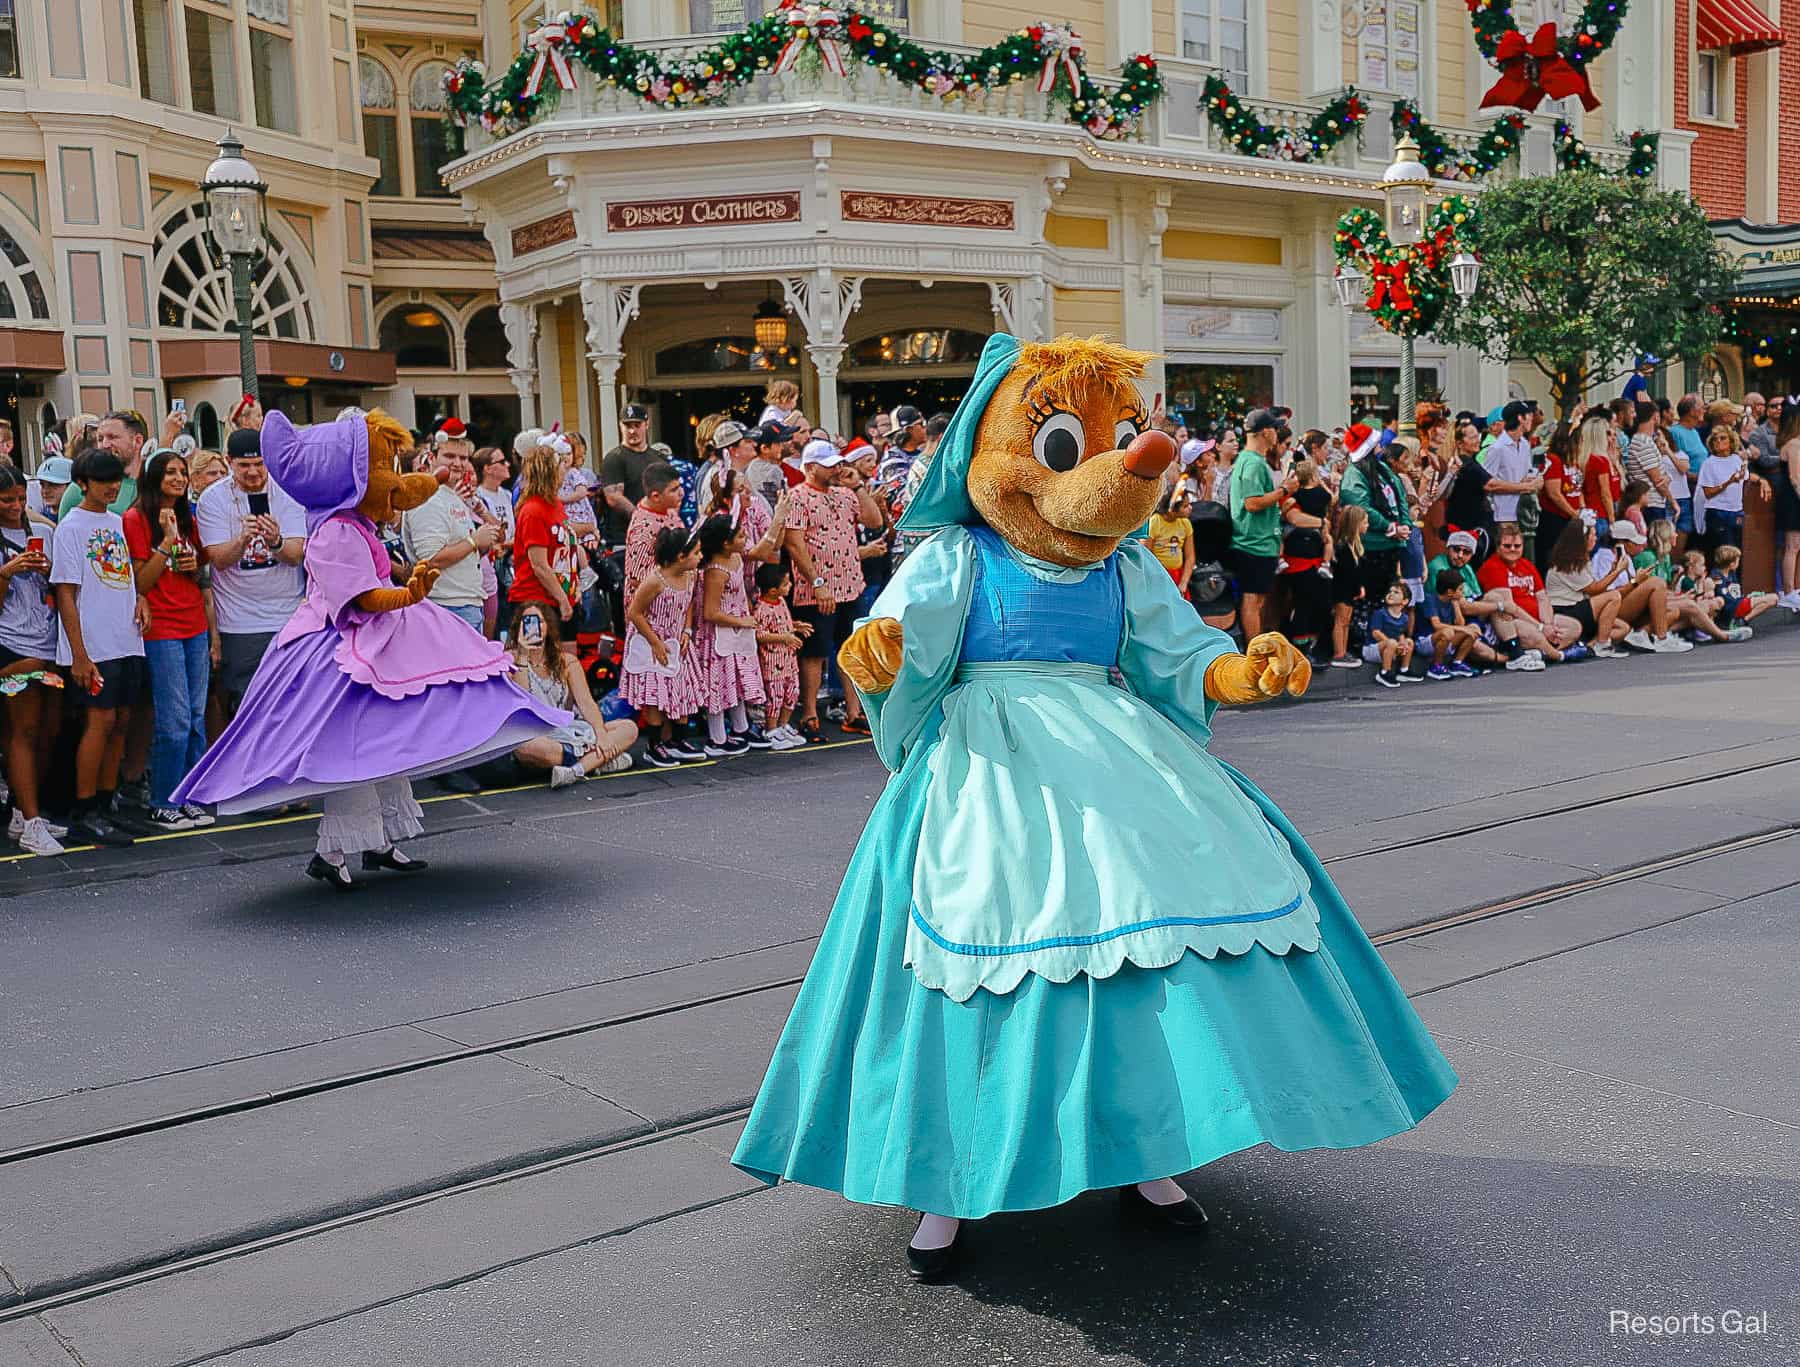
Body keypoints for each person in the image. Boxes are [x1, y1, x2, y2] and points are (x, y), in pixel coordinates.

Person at [734, 332, 1453, 1282]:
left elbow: (1177, 653)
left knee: (1148, 946)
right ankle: (945, 1178)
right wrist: (884, 658)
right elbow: (901, 640)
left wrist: (1233, 671)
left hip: (1122, 757)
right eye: (1069, 447)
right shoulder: (960, 556)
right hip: (987, 768)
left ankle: (1146, 1150)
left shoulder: (1124, 568)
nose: (1111, 480)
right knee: (972, 960)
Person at [174, 411, 565, 889]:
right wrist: (408, 595)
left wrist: (430, 485)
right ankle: (333, 850)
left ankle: (378, 842)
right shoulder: (334, 533)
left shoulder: (354, 522)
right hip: (343, 650)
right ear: (349, 478)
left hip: (380, 640)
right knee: (354, 748)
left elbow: (399, 508)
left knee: (386, 743)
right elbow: (360, 598)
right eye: (380, 470)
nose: (392, 482)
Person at [51, 447, 148, 848]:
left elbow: (123, 575)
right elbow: (65, 594)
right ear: (82, 484)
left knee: (122, 719)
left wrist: (139, 597)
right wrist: (79, 654)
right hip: (93, 642)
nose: (112, 487)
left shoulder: (116, 522)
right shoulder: (71, 527)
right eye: (104, 480)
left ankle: (107, 805)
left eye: (117, 479)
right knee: (100, 722)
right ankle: (85, 809)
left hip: (125, 636)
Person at [122, 450, 216, 830]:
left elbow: (192, 571)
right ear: (153, 477)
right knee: (174, 719)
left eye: (182, 472)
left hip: (194, 620)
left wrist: (194, 564)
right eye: (169, 472)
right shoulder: (134, 518)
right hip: (161, 627)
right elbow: (140, 582)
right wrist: (166, 540)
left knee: (196, 717)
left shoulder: (188, 516)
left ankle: (189, 795)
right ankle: (163, 799)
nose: (178, 478)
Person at [197, 426, 307, 716]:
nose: (253, 472)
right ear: (228, 461)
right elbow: (217, 559)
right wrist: (243, 539)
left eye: (259, 464)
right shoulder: (213, 498)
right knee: (247, 706)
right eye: (244, 465)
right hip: (240, 621)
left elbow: (296, 555)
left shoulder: (288, 490)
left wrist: (276, 541)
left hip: (288, 615)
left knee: (292, 703)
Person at [785, 438, 883, 743]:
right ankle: (810, 713)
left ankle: (854, 712)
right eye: (829, 466)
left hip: (850, 585)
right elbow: (794, 543)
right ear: (810, 468)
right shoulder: (797, 497)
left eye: (837, 464)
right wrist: (817, 583)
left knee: (848, 648)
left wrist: (858, 487)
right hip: (818, 590)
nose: (837, 469)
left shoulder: (843, 494)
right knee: (814, 653)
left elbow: (874, 520)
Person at [0, 464, 67, 854]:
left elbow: (62, 588)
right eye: (7, 500)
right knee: (22, 730)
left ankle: (22, 813)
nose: (15, 506)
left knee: (46, 730)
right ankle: (31, 822)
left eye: (21, 499)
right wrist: (7, 572)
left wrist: (48, 569)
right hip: (10, 643)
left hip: (46, 638)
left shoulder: (41, 531)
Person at [506, 602, 637, 787]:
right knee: (525, 748)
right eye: (526, 621)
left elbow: (586, 703)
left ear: (548, 626)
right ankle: (598, 762)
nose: (534, 626)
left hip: (570, 730)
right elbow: (524, 701)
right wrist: (522, 655)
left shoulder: (566, 661)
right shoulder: (510, 660)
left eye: (539, 621)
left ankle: (575, 771)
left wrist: (601, 734)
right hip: (537, 734)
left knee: (629, 728)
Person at [622, 525, 705, 768]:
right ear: (680, 556)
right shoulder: (654, 581)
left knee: (682, 691)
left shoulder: (691, 575)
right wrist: (655, 643)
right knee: (655, 696)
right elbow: (635, 613)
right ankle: (654, 745)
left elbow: (689, 603)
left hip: (676, 641)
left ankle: (678, 741)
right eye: (697, 553)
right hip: (652, 641)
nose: (700, 557)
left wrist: (687, 630)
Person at [687, 512, 768, 757]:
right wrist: (741, 620)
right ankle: (717, 737)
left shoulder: (735, 558)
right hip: (717, 635)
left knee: (737, 680)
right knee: (717, 685)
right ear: (725, 542)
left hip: (736, 631)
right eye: (741, 536)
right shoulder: (715, 571)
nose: (746, 539)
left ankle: (741, 727)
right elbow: (710, 612)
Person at [401, 439, 499, 633]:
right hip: (447, 607)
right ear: (432, 457)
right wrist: (474, 541)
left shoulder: (450, 495)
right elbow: (431, 559)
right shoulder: (428, 499)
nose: (457, 463)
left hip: (466, 603)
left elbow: (465, 550)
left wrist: (481, 546)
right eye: (449, 456)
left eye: (463, 458)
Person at [1228, 408, 1292, 639]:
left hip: (1260, 542)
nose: (1277, 433)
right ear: (1265, 432)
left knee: (1259, 599)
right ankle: (1254, 651)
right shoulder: (1253, 463)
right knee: (1253, 599)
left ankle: (1256, 646)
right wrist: (1284, 490)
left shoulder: (1251, 460)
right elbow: (1252, 503)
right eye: (1275, 429)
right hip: (1253, 543)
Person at [508, 441, 580, 637]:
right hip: (535, 600)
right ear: (550, 471)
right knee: (538, 660)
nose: (566, 469)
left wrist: (574, 588)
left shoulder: (555, 504)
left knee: (568, 658)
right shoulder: (533, 511)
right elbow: (539, 565)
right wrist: (563, 599)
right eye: (561, 465)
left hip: (560, 596)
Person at [1476, 523, 1576, 664]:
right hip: (1513, 622)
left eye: (1517, 546)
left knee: (1574, 626)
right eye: (1507, 546)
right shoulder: (1493, 567)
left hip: (1538, 620)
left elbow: (1542, 598)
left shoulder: (1527, 564)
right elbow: (1511, 609)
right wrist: (1540, 627)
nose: (1512, 549)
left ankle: (1540, 652)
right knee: (1535, 635)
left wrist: (1548, 624)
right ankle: (1557, 655)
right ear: (1498, 547)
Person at [1590, 519, 1689, 653]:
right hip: (1610, 607)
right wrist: (1636, 581)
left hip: (1623, 602)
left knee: (1673, 611)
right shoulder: (1604, 557)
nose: (1639, 546)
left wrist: (1638, 581)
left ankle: (1641, 633)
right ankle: (1662, 639)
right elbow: (1608, 595)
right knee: (1656, 582)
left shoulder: (1626, 557)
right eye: (1633, 542)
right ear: (1622, 543)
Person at [1337, 439, 1413, 609]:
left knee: (1389, 600)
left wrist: (1405, 524)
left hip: (1391, 547)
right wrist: (1389, 527)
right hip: (1370, 548)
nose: (1380, 445)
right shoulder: (1354, 473)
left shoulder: (1382, 468)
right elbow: (1361, 507)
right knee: (1370, 602)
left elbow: (1401, 497)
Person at [1543, 517, 1626, 654]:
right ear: (1582, 539)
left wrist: (1612, 570)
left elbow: (1595, 588)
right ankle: (1602, 644)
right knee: (1614, 596)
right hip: (1566, 609)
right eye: (1592, 535)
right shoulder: (1568, 562)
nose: (1595, 539)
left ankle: (1589, 646)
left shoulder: (1582, 558)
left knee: (1623, 628)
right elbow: (1595, 589)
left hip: (1579, 605)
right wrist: (1618, 571)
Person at [752, 560, 808, 750]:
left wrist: (795, 626)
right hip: (772, 662)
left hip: (788, 660)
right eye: (785, 583)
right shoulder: (762, 609)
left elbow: (783, 622)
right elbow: (759, 634)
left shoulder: (781, 602)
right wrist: (783, 637)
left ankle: (783, 725)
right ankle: (771, 729)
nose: (790, 585)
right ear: (772, 590)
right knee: (775, 697)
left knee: (792, 692)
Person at [1278, 458, 1331, 657]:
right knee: (1302, 603)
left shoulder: (1295, 495)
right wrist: (1322, 522)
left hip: (1313, 554)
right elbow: (1293, 518)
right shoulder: (1291, 495)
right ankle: (1300, 646)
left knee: (1315, 603)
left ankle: (1311, 644)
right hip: (1299, 558)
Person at [58, 411, 153, 518]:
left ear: (138, 441)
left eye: (112, 437)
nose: (105, 445)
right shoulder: (82, 488)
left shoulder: (155, 483)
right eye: (100, 439)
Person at [623, 462, 686, 603]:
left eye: (679, 486)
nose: (681, 493)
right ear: (656, 496)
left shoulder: (667, 509)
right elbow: (637, 578)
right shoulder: (642, 530)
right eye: (674, 490)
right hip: (655, 611)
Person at [1420, 570, 1499, 677]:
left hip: (1447, 640)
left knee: (1472, 630)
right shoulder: (1430, 600)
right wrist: (1463, 629)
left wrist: (1456, 605)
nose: (1463, 593)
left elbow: (1461, 624)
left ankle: (1457, 663)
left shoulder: (1452, 602)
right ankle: (1436, 666)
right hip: (1426, 641)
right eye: (1460, 589)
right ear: (1450, 592)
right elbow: (1437, 625)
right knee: (1447, 632)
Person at [472, 447, 516, 636]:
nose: (507, 464)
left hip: (510, 556)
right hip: (493, 562)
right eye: (501, 461)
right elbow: (489, 534)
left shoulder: (507, 494)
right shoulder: (479, 497)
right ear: (487, 469)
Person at [598, 403, 655, 545]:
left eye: (637, 425)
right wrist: (642, 519)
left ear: (646, 424)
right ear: (620, 426)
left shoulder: (659, 458)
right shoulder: (614, 458)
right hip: (624, 540)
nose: (632, 431)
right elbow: (613, 497)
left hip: (657, 538)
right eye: (627, 426)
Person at [1325, 503, 1367, 668]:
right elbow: (1346, 573)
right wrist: (1356, 588)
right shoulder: (1343, 547)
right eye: (1364, 523)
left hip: (1349, 590)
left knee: (1346, 621)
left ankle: (1343, 649)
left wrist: (1359, 587)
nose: (1367, 526)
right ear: (1356, 525)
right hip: (1342, 589)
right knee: (1341, 620)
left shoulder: (1354, 546)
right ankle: (1338, 653)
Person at [1696, 426, 1748, 550]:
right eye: (1715, 439)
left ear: (1731, 441)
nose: (1718, 441)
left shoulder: (1737, 459)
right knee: (1722, 550)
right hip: (1717, 511)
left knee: (1737, 550)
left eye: (1723, 438)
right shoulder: (1709, 463)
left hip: (1736, 511)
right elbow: (1708, 493)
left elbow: (1745, 480)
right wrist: (1728, 482)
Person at [1363, 581, 1417, 688]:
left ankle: (1404, 670)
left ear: (1405, 601)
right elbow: (1376, 633)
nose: (1391, 594)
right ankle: (1384, 673)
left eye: (1396, 592)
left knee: (1409, 642)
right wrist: (1392, 644)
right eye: (1390, 591)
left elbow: (1400, 633)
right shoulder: (1380, 613)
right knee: (1391, 642)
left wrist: (1402, 643)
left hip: (1391, 649)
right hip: (1372, 649)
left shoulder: (1405, 618)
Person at [1774, 398, 1800, 608]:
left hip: (1793, 497)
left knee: (1794, 546)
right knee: (1792, 546)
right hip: (1793, 499)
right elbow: (1795, 477)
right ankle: (1788, 590)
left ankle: (1792, 587)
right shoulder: (1793, 444)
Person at [1146, 486, 1194, 592]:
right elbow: (1146, 554)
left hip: (1178, 575)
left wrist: (1183, 582)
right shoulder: (1155, 523)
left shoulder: (1185, 523)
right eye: (1185, 506)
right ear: (1172, 509)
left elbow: (1190, 557)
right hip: (1158, 577)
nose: (1190, 508)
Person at [27, 453, 72, 526]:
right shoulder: (41, 515)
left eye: (53, 485)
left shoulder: (77, 517)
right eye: (42, 485)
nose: (45, 491)